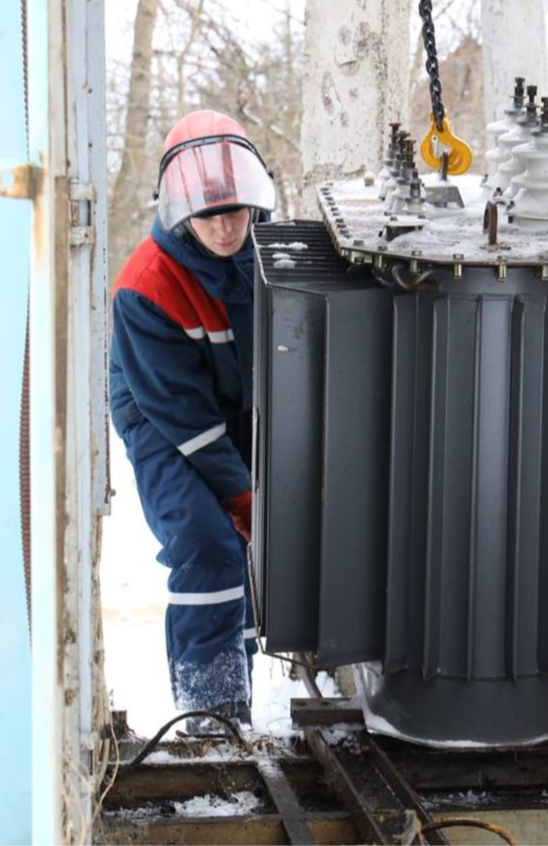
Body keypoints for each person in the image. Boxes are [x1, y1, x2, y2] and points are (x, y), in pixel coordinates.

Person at [109, 110, 276, 731]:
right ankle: (211, 714)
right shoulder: (145, 288)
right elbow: (186, 420)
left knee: (253, 548)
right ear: (181, 211)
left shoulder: (268, 253)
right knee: (208, 545)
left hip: (233, 403)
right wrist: (243, 498)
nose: (228, 227)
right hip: (161, 416)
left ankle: (241, 687)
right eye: (211, 215)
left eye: (237, 211)